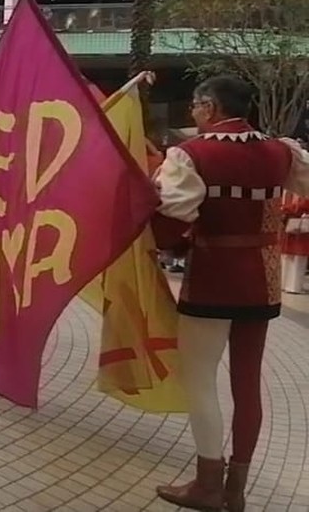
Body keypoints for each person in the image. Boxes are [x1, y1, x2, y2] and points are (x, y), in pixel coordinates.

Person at [150, 76, 309, 511]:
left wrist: (150, 196)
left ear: (210, 107)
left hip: (213, 279)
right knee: (247, 383)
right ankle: (235, 489)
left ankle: (207, 483)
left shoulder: (191, 154)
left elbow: (173, 218)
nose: (194, 115)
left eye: (197, 108)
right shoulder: (282, 151)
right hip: (263, 281)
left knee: (200, 380)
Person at [278, 189, 309, 295]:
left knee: (298, 257)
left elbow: (304, 204)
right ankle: (283, 283)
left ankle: (293, 286)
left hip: (299, 224)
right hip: (287, 222)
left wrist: (286, 208)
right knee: (286, 255)